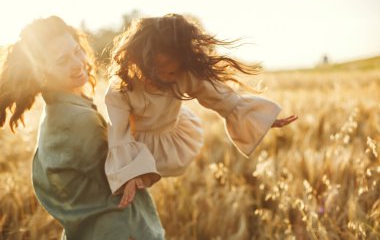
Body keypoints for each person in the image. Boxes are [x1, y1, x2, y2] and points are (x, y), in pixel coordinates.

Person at [105, 13, 298, 208]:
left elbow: (222, 98)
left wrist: (261, 118)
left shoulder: (183, 76)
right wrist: (129, 174)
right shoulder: (120, 88)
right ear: (138, 61)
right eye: (157, 70)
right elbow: (119, 134)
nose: (166, 78)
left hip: (173, 139)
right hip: (139, 143)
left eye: (173, 72)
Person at [0, 16, 165, 240]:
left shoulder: (56, 115)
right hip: (122, 231)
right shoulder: (78, 121)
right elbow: (126, 172)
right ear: (42, 73)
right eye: (62, 61)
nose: (78, 63)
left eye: (77, 51)